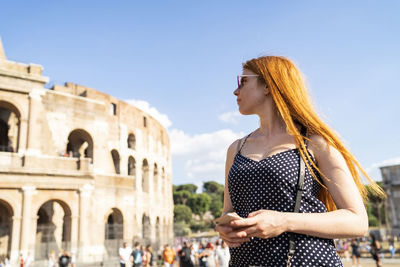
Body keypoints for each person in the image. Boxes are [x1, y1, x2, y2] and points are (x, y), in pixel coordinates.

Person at [215, 55, 385, 266]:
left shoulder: (316, 144)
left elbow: (357, 221)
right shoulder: (236, 148)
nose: (235, 90)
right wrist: (226, 227)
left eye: (243, 81)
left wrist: (284, 221)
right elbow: (229, 210)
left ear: (268, 85)